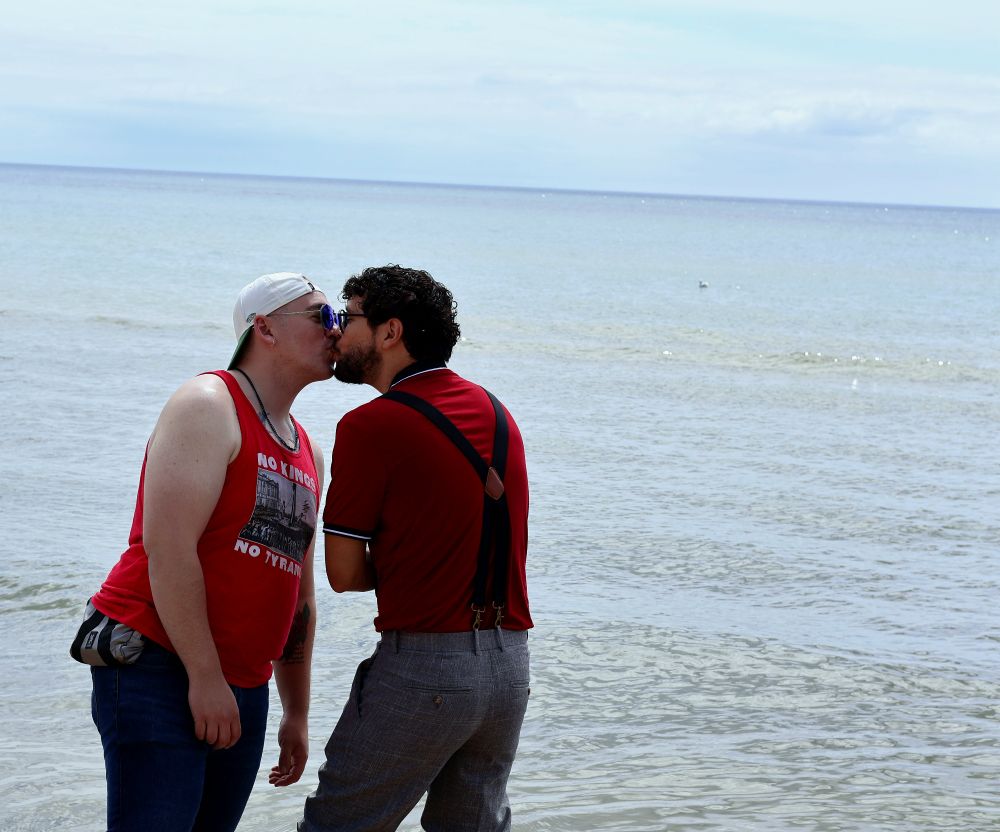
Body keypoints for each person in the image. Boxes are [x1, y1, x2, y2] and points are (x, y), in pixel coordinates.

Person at [71, 272, 338, 832]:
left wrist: (296, 711)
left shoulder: (308, 447)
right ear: (263, 327)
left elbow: (299, 591)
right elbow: (168, 550)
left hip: (241, 680)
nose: (336, 330)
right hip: (160, 663)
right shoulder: (207, 404)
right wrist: (204, 677)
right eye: (321, 316)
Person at [300, 265, 533, 832]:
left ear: (389, 332)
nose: (335, 332)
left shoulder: (369, 427)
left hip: (428, 669)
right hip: (509, 669)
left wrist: (410, 561)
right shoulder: (496, 411)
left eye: (346, 316)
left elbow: (345, 573)